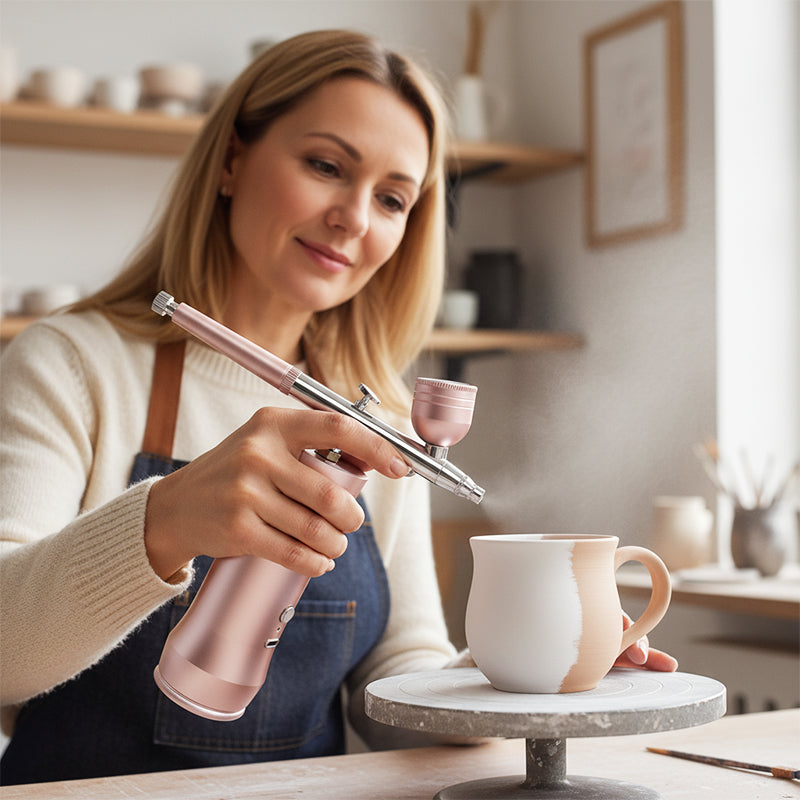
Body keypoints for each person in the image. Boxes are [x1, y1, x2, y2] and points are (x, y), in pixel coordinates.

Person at [0, 29, 676, 785]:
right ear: (231, 160)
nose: (355, 218)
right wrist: (165, 522)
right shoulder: (72, 365)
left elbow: (398, 676)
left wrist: (508, 676)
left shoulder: (381, 419)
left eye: (392, 199)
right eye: (326, 166)